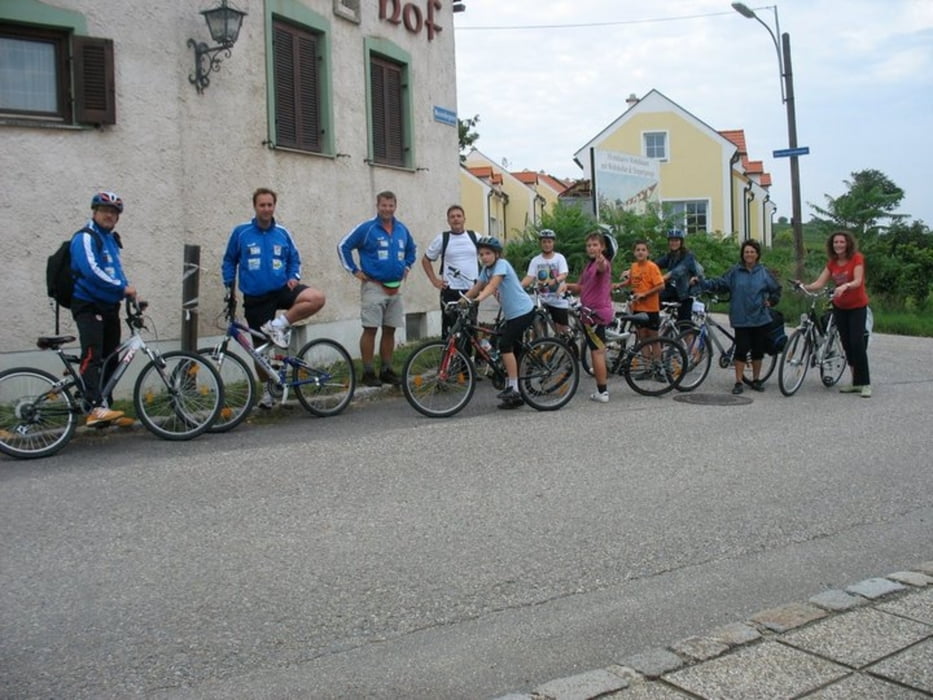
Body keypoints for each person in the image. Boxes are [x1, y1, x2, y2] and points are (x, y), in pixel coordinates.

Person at [222, 188, 326, 408]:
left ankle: (278, 325)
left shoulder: (282, 232)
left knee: (316, 297)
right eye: (262, 205)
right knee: (259, 350)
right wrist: (229, 287)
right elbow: (230, 260)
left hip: (281, 289)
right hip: (256, 296)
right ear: (255, 206)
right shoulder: (241, 233)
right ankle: (269, 390)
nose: (267, 209)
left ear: (274, 206)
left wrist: (293, 277)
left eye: (270, 205)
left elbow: (294, 259)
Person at [70, 191, 137, 427]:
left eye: (114, 212)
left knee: (111, 358)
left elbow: (115, 272)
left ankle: (105, 407)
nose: (109, 215)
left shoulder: (110, 239)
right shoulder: (86, 237)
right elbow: (91, 270)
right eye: (105, 210)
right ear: (95, 212)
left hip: (109, 306)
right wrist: (122, 288)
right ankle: (94, 407)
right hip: (88, 305)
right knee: (93, 355)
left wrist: (127, 293)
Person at [338, 191, 417, 387]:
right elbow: (343, 247)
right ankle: (367, 372)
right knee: (370, 329)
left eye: (391, 205)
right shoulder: (367, 228)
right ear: (377, 205)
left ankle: (387, 370)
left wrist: (407, 266)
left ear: (395, 206)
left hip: (395, 288)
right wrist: (354, 270)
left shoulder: (402, 229)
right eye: (384, 205)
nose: (387, 209)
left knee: (390, 330)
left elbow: (411, 249)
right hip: (373, 286)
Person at [695, 239, 781, 394]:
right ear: (742, 254)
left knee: (757, 351)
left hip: (760, 317)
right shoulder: (734, 272)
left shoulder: (764, 272)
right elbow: (720, 284)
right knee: (741, 350)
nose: (749, 254)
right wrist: (703, 283)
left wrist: (772, 301)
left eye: (752, 252)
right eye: (746, 252)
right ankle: (738, 382)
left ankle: (756, 380)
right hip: (740, 317)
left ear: (757, 254)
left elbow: (776, 289)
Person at [460, 236, 534, 409]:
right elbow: (477, 286)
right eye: (481, 254)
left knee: (505, 345)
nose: (484, 257)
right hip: (511, 315)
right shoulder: (486, 270)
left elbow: (492, 286)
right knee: (510, 350)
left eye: (487, 253)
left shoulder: (502, 265)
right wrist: (462, 301)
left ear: (497, 254)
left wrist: (478, 300)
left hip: (523, 312)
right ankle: (514, 397)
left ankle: (514, 388)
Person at [798, 231, 871, 398]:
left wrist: (845, 286)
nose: (838, 245)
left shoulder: (856, 258)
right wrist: (804, 286)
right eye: (835, 242)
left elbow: (858, 280)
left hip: (857, 307)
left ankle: (865, 383)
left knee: (857, 343)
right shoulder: (832, 263)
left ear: (848, 244)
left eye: (841, 242)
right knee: (847, 345)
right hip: (840, 307)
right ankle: (855, 383)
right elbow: (819, 283)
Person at [566, 229, 617, 403]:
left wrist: (601, 259)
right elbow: (581, 287)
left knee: (597, 353)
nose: (591, 248)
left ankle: (602, 392)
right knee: (597, 350)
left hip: (597, 314)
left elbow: (603, 268)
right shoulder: (588, 266)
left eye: (595, 245)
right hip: (588, 313)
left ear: (602, 247)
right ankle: (601, 389)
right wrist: (564, 285)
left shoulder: (602, 263)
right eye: (588, 245)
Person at [420, 204, 479, 338]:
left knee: (470, 328)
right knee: (450, 329)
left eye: (459, 216)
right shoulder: (442, 238)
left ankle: (469, 357)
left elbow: (490, 255)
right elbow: (425, 260)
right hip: (450, 291)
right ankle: (450, 358)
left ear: (464, 219)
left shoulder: (474, 237)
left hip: (471, 290)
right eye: (452, 217)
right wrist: (435, 281)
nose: (456, 219)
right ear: (448, 221)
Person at [519, 228, 570, 335]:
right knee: (536, 322)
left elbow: (564, 274)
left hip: (557, 298)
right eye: (544, 242)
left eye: (549, 242)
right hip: (541, 298)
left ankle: (567, 347)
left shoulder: (559, 258)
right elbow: (529, 277)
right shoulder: (535, 260)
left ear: (553, 243)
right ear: (540, 243)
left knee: (562, 330)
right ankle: (542, 346)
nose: (547, 244)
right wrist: (518, 286)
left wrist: (555, 280)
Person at [618, 239, 665, 347]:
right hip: (638, 308)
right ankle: (647, 363)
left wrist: (645, 294)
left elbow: (661, 285)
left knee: (653, 340)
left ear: (647, 253)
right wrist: (619, 285)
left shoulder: (652, 267)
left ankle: (657, 363)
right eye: (638, 250)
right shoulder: (633, 266)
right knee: (642, 339)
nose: (640, 252)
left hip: (651, 309)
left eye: (643, 250)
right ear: (634, 253)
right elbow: (631, 281)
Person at [655, 229, 703, 323]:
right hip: (673, 290)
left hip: (686, 292)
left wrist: (661, 278)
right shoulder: (670, 256)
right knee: (653, 301)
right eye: (671, 240)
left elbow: (678, 271)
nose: (674, 243)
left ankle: (687, 335)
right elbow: (654, 265)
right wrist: (636, 270)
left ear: (681, 242)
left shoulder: (688, 256)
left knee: (684, 324)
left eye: (676, 240)